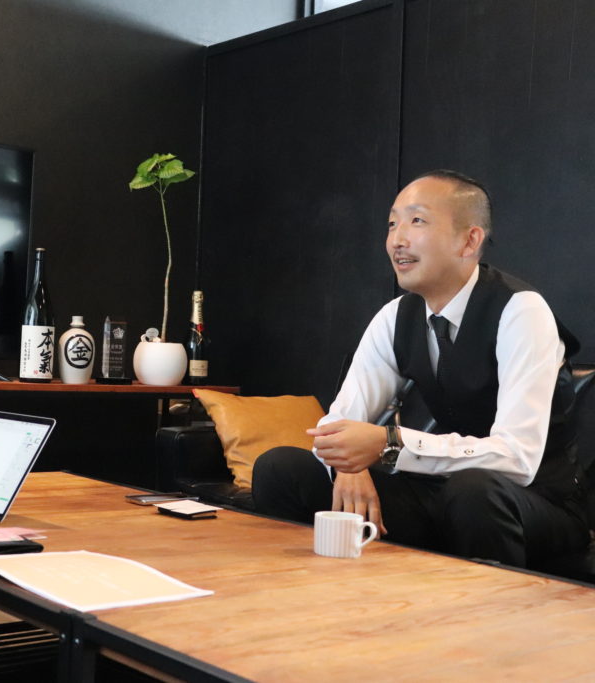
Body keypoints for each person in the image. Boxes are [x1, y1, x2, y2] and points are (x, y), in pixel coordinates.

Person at [252, 170, 589, 568]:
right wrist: (347, 463)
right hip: (439, 493)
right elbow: (336, 428)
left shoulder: (521, 310)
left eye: (417, 221)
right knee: (280, 468)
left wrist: (388, 445)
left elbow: (517, 459)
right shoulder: (395, 316)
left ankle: (488, 606)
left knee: (474, 490)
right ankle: (307, 592)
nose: (397, 239)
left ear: (469, 240)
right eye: (392, 223)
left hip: (536, 503)